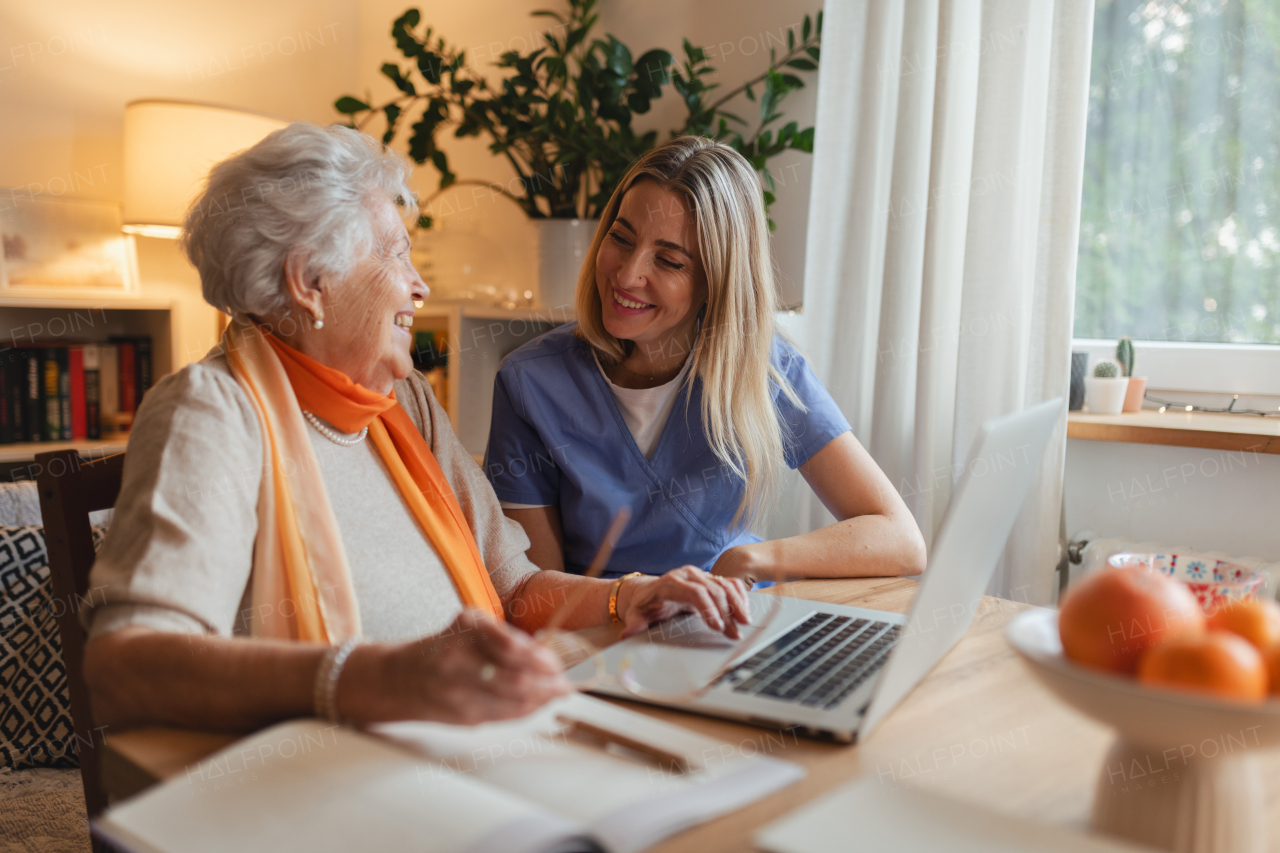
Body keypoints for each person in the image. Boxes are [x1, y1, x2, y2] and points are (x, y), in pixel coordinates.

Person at [82, 123, 752, 734]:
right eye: (396, 256)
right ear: (312, 282)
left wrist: (631, 594)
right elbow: (124, 667)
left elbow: (514, 588)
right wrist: (380, 678)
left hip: (486, 742)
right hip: (335, 782)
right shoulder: (211, 413)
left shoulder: (402, 401)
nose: (419, 286)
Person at [485, 137, 926, 588]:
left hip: (730, 624)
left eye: (669, 260)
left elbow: (900, 538)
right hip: (603, 636)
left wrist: (751, 558)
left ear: (717, 282)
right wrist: (638, 599)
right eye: (620, 238)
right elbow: (537, 594)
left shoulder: (764, 368)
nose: (627, 274)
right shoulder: (529, 383)